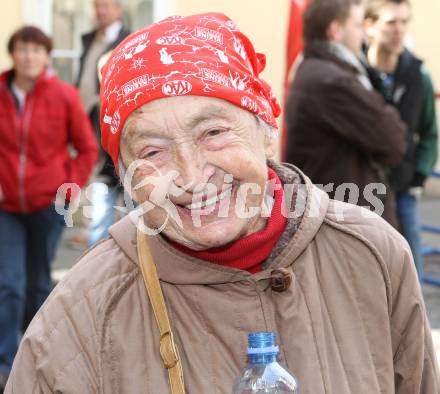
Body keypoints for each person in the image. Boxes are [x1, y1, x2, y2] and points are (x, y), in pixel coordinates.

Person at [5, 13, 439, 393]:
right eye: (153, 152)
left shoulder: (373, 257)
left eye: (213, 132)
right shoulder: (77, 318)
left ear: (267, 129)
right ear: (128, 177)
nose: (193, 178)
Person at [0, 26, 98, 391]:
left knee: (40, 283)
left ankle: (39, 357)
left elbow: (87, 148)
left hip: (47, 204)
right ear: (13, 53)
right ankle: (6, 364)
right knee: (10, 282)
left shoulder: (64, 96)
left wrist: (67, 189)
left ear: (46, 56)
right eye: (23, 49)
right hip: (6, 206)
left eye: (36, 50)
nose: (29, 56)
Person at [284, 0, 407, 226]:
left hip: (336, 211)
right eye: (358, 25)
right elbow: (393, 139)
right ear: (336, 30)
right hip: (347, 219)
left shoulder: (317, 69)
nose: (364, 34)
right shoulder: (333, 80)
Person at [365, 0, 438, 280]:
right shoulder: (356, 75)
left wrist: (420, 175)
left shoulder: (419, 75)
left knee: (411, 267)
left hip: (404, 188)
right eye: (391, 23)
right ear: (370, 27)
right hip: (363, 187)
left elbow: (430, 132)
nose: (399, 30)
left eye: (404, 22)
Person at [76, 0, 130, 246]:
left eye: (107, 5)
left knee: (130, 215)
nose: (101, 11)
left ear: (119, 9)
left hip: (119, 130)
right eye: (98, 5)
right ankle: (96, 266)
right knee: (98, 213)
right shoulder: (89, 39)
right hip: (91, 128)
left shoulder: (127, 40)